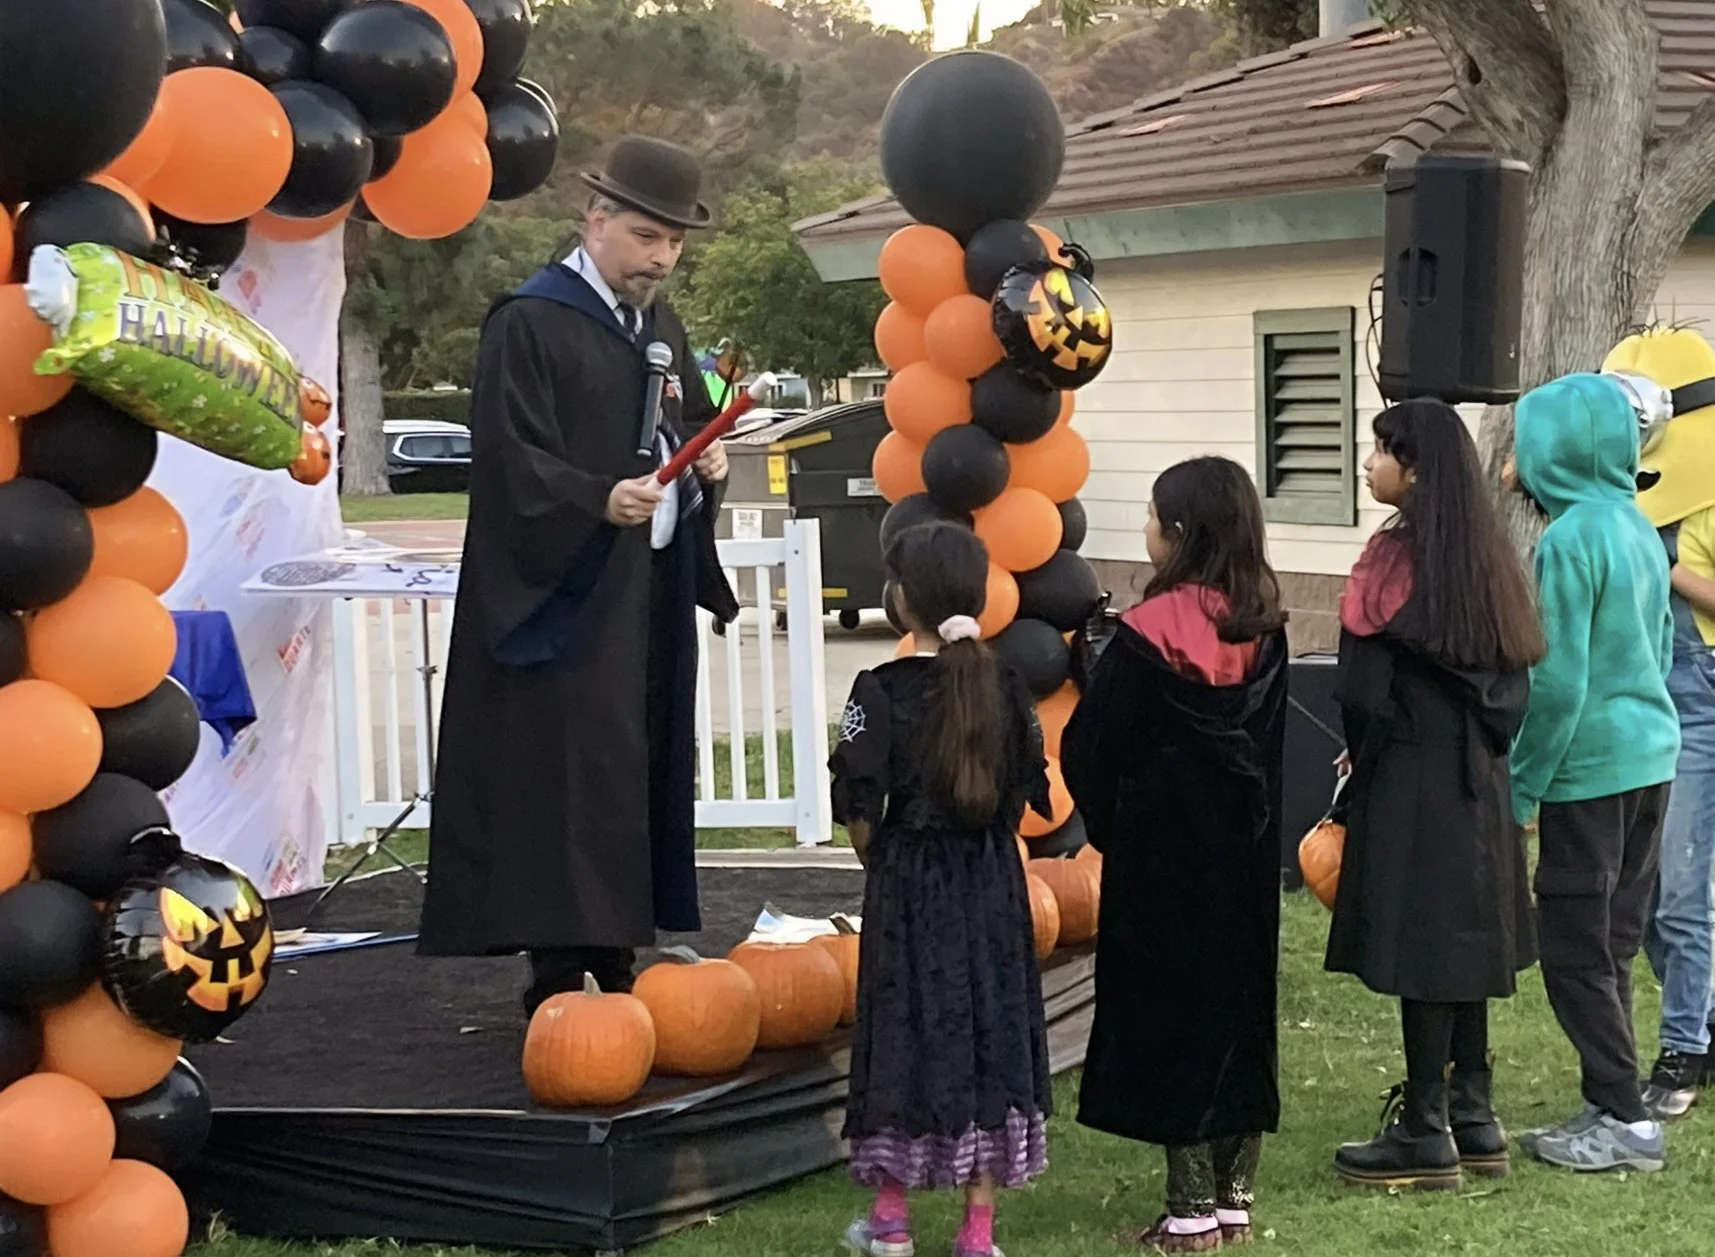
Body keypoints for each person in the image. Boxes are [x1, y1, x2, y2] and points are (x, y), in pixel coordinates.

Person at [416, 137, 739, 1013]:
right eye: (644, 237)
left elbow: (691, 428)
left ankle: (621, 946)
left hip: (650, 592)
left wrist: (705, 468)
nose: (659, 260)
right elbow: (509, 460)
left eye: (673, 244)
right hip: (567, 594)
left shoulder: (661, 328)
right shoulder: (529, 321)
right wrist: (596, 499)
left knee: (636, 766)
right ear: (593, 221)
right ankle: (560, 969)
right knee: (568, 778)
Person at [1062, 456, 1289, 1253]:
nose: (1147, 531)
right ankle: (1234, 1197)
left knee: (1172, 1017)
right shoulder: (1264, 624)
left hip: (1162, 853)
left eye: (1156, 518)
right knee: (1239, 1008)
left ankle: (1188, 1210)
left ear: (1180, 533)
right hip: (1246, 851)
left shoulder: (1147, 633)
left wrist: (1110, 822)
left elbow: (1091, 746)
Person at [1322, 401, 1544, 1192]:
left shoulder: (1392, 562)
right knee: (1463, 942)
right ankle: (1473, 1113)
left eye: (1379, 451)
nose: (1367, 463)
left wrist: (1361, 762)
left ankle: (1424, 1128)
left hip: (1411, 776)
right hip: (1477, 780)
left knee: (1423, 948)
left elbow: (1362, 688)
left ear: (1412, 469)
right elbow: (1512, 687)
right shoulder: (1485, 559)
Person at [831, 522, 1053, 1257]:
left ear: (903, 599)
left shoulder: (879, 690)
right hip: (989, 883)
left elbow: (859, 804)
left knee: (904, 1031)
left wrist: (884, 861)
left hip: (908, 885)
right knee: (986, 1033)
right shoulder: (1006, 686)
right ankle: (977, 1231)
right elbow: (1023, 787)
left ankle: (890, 1217)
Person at [1507, 372, 1679, 1172]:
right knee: (1613, 937)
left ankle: (1624, 1118)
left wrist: (1522, 783)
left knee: (1573, 942)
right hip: (1654, 757)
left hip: (1591, 771)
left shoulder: (1570, 539)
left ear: (1555, 451)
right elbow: (1666, 646)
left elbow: (1557, 678)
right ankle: (1614, 1098)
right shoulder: (1640, 528)